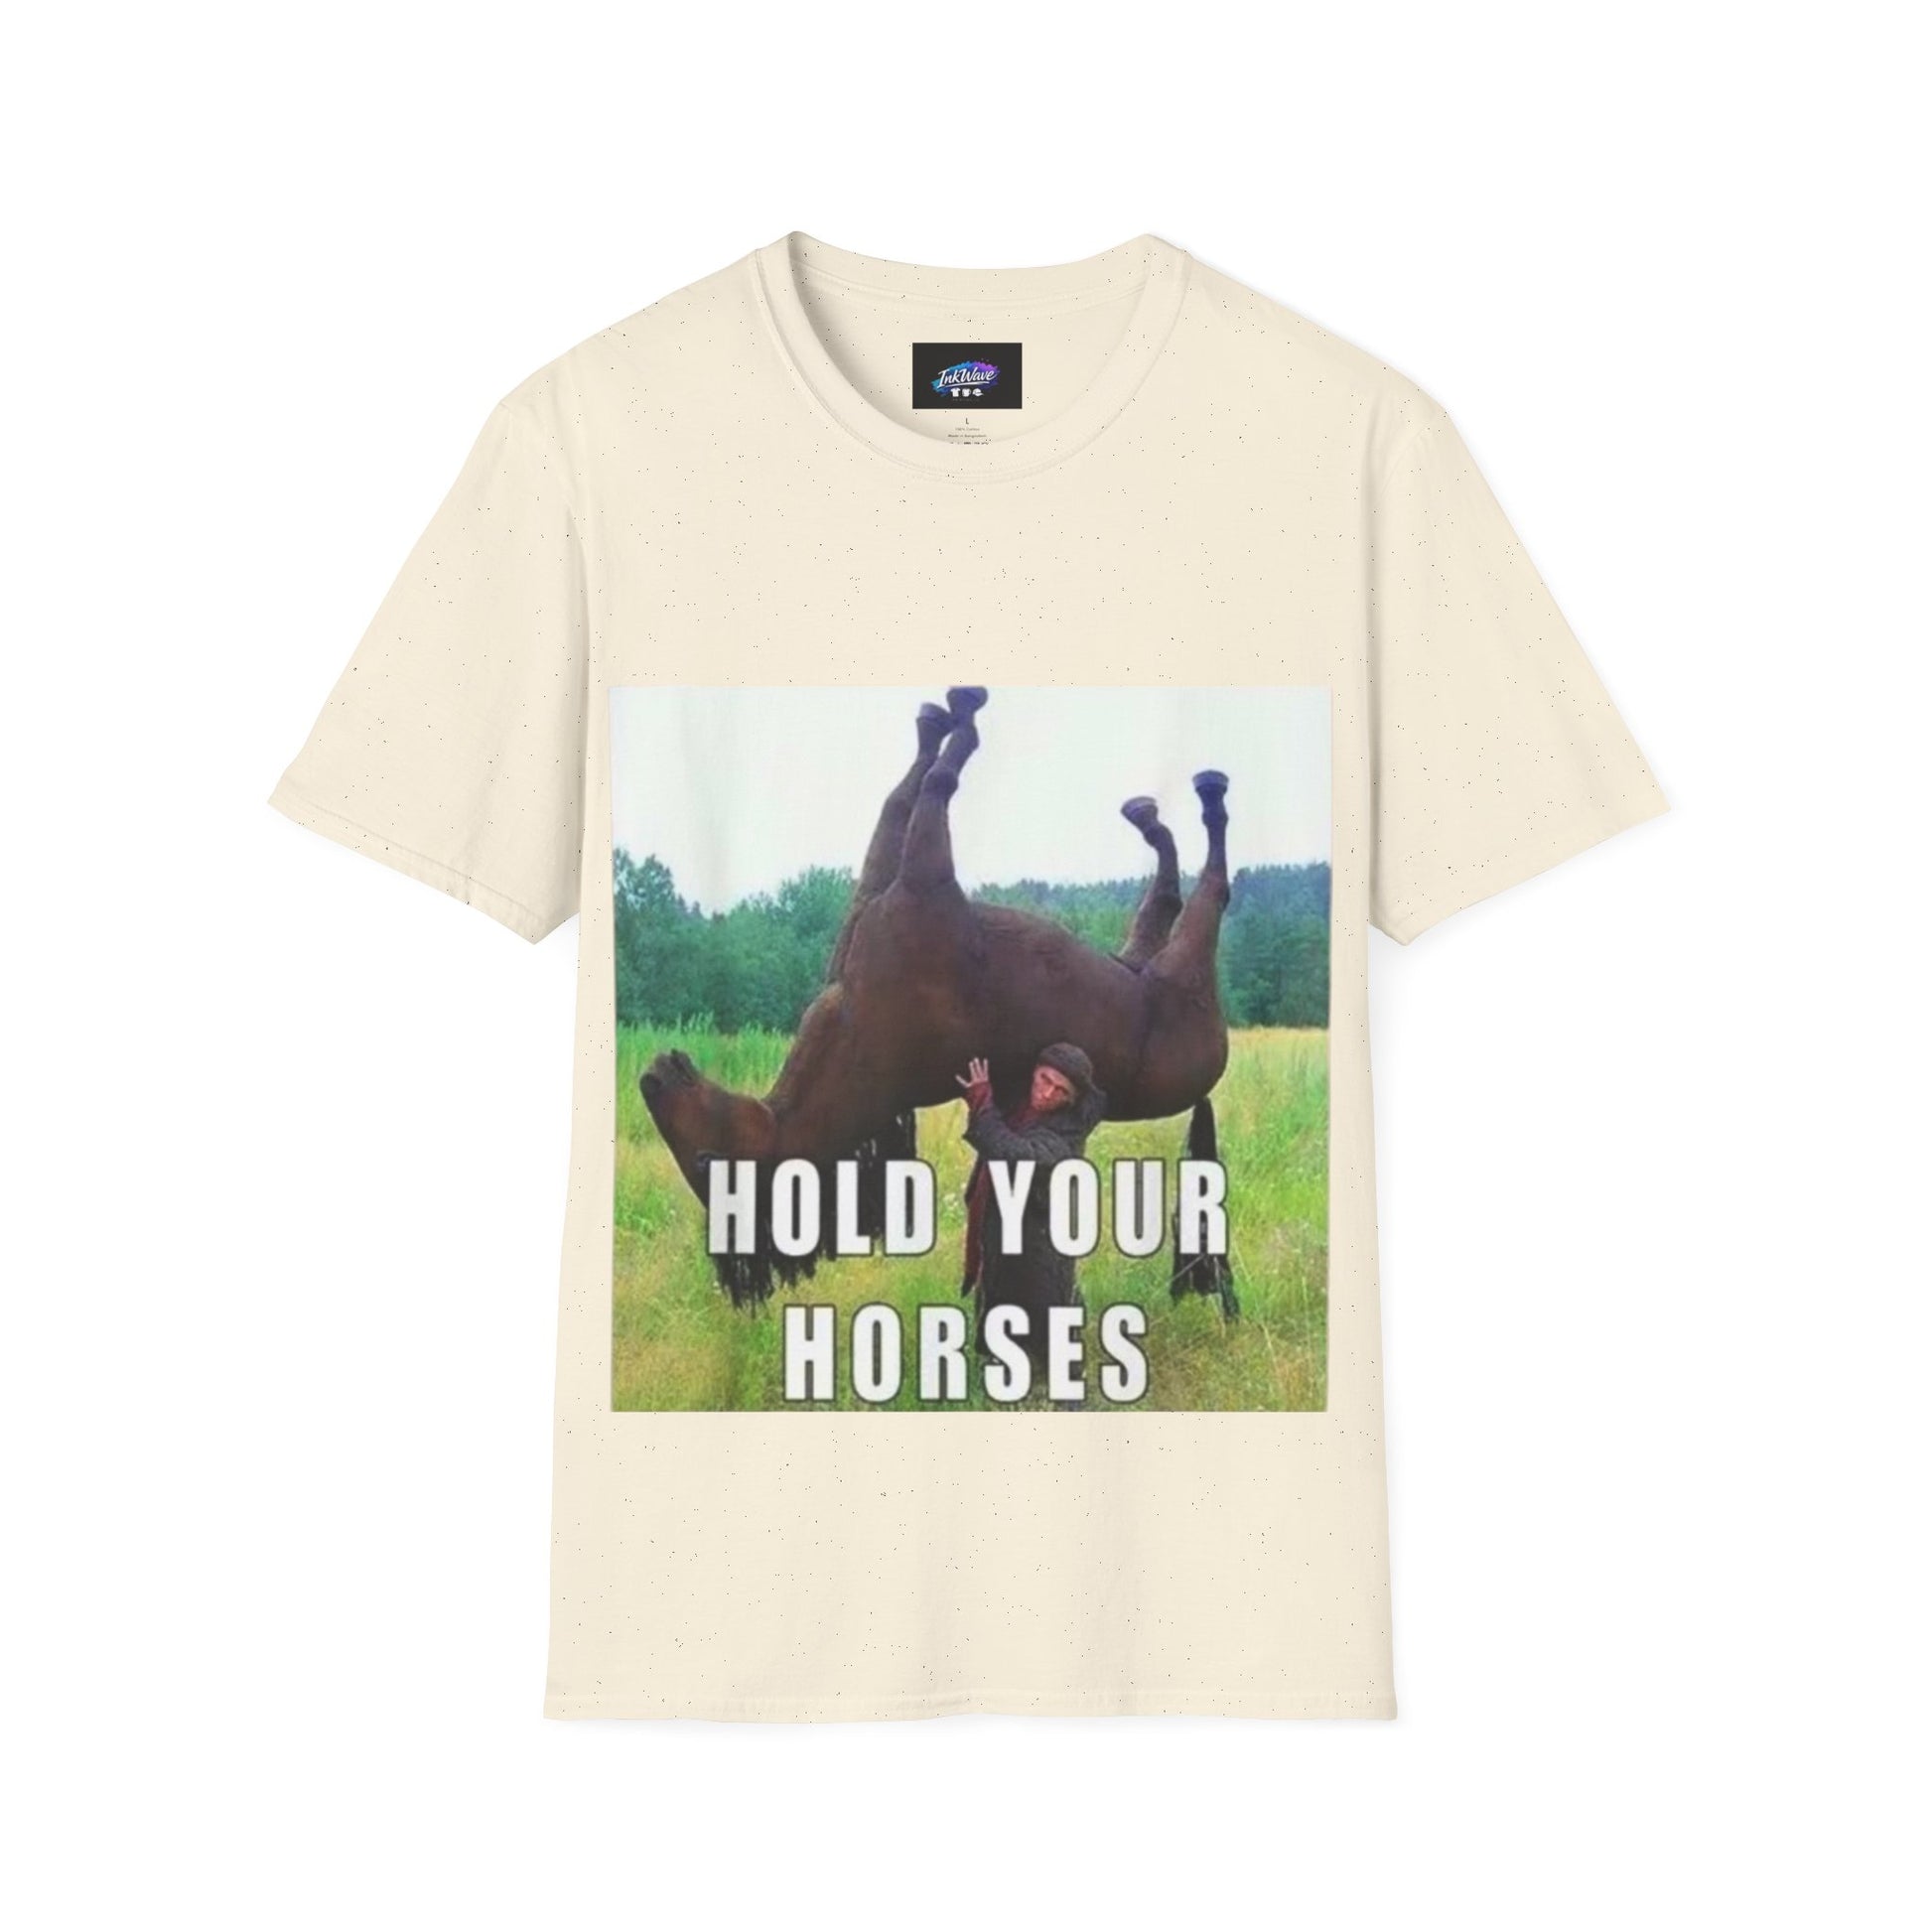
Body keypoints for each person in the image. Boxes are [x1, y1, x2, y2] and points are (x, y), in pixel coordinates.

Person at [955, 1043, 1108, 1355]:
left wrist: (982, 1102)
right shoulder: (1020, 1106)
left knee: (1042, 1300)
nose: (1048, 1093)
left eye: (1061, 1091)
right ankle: (1000, 1354)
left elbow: (1017, 1156)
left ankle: (1053, 1366)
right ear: (1034, 1073)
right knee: (997, 1284)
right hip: (1005, 1223)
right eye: (1044, 1079)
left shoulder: (1066, 1131)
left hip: (1038, 1233)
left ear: (1072, 1100)